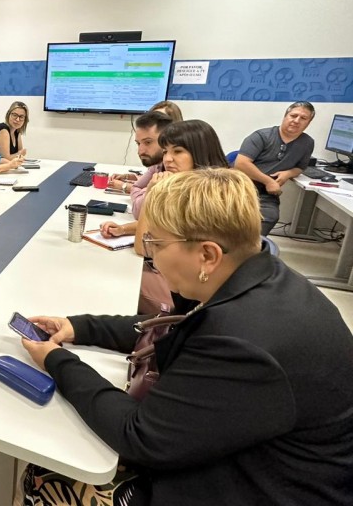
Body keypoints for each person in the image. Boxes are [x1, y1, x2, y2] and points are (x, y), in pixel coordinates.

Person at [21, 168, 353, 505]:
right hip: (264, 462)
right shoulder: (259, 277)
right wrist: (80, 327)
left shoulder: (241, 342)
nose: (149, 253)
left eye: (157, 243)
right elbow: (172, 323)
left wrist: (56, 360)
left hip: (262, 488)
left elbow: (139, 436)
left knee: (45, 475)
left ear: (207, 255)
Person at [100, 119, 227, 240]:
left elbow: (142, 246)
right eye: (165, 152)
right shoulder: (185, 185)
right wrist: (123, 229)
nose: (167, 159)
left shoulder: (208, 197)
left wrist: (151, 193)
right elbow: (160, 226)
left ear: (201, 152)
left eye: (177, 151)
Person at [234, 101, 315, 235]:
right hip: (241, 187)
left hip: (266, 194)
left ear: (309, 122)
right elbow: (241, 163)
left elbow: (301, 167)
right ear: (285, 116)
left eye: (303, 118)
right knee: (232, 215)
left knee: (269, 216)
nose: (296, 120)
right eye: (293, 115)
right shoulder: (261, 136)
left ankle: (252, 250)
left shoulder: (307, 143)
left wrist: (288, 173)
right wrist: (269, 181)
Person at [106, 111, 172, 202]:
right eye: (138, 143)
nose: (140, 151)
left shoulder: (175, 169)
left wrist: (126, 187)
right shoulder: (157, 166)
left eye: (148, 142)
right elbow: (136, 188)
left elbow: (139, 208)